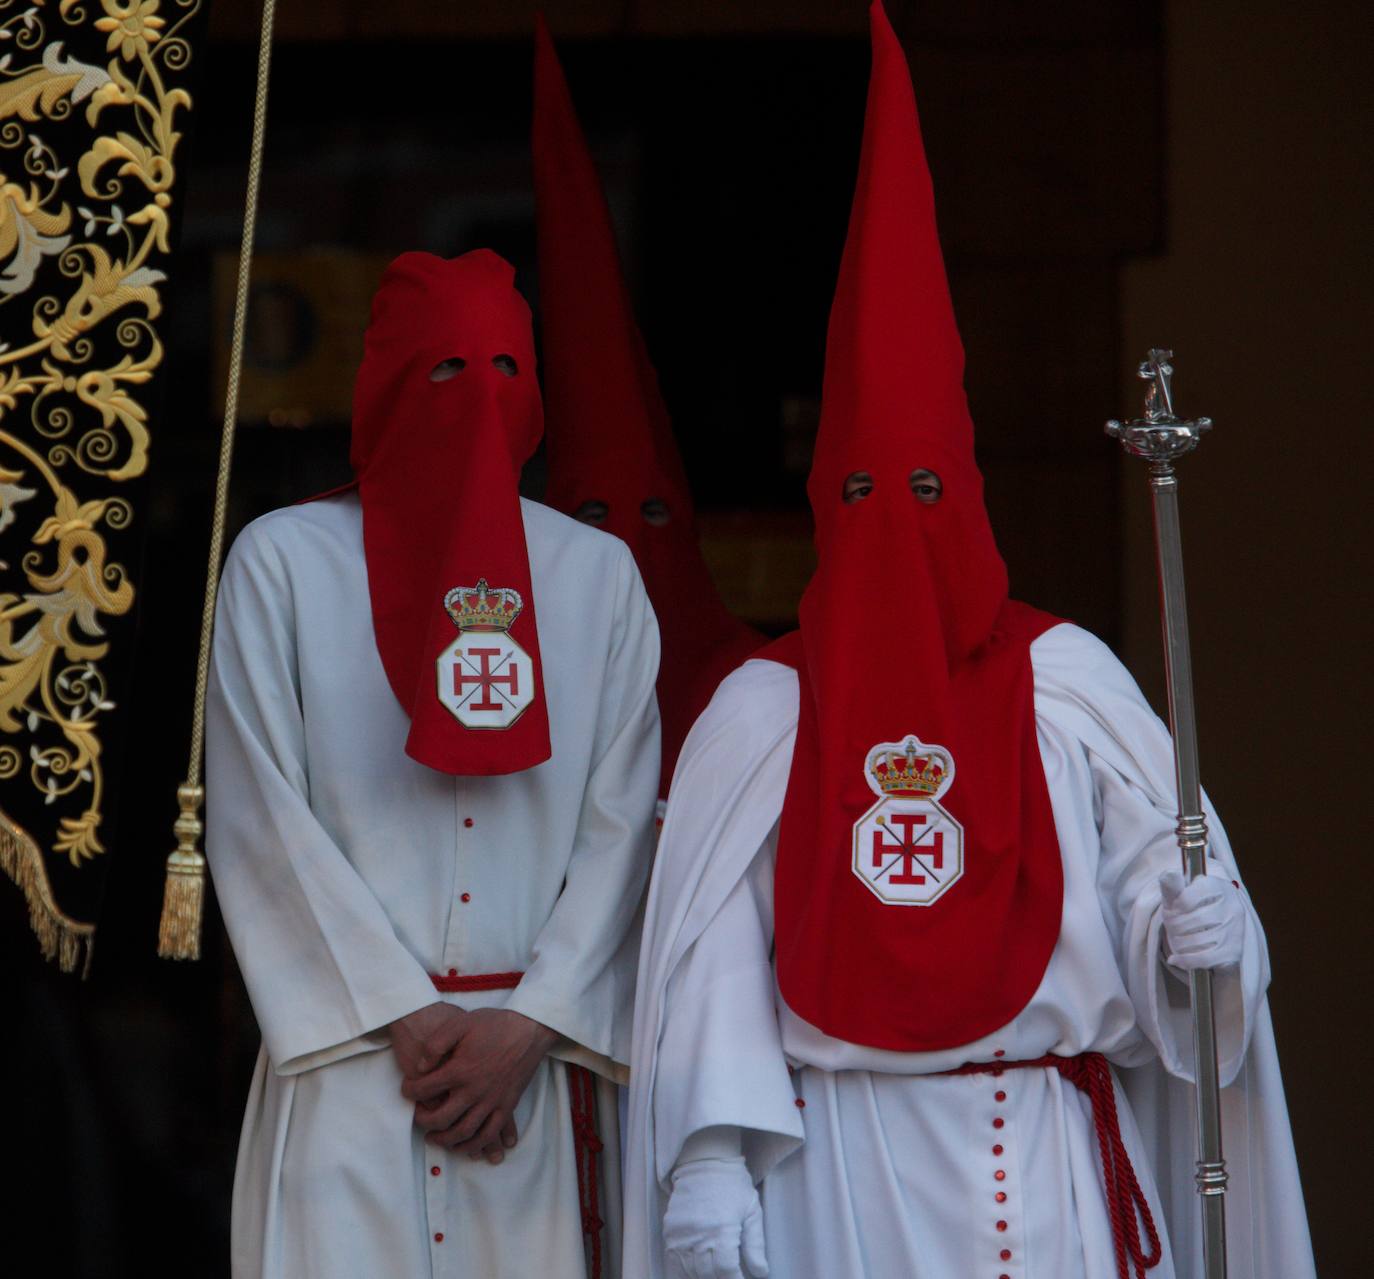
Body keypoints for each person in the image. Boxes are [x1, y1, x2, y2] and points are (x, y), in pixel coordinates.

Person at [624, 5, 1316, 1278]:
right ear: (825, 504)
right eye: (868, 496)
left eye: (928, 495)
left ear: (976, 496)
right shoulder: (760, 710)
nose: (900, 529)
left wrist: (1205, 935)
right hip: (841, 1164)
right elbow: (713, 956)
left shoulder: (1068, 683)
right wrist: (712, 1158)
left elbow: (1151, 891)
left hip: (1051, 1158)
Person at [207, 249, 660, 1279]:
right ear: (386, 379)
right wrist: (406, 1015)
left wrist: (533, 1023)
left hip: (529, 1077)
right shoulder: (282, 563)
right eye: (445, 370)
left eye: (504, 368)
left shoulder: (597, 578)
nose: (477, 398)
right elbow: (261, 815)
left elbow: (625, 825)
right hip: (352, 1068)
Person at [532, 17, 763, 813]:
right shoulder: (500, 681)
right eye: (592, 514)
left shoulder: (760, 690)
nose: (629, 542)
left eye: (655, 512)